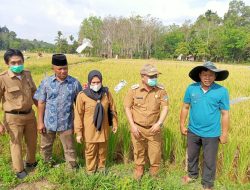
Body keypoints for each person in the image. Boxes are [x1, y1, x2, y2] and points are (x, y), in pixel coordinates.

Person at [180, 61, 230, 190]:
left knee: (209, 160)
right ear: (200, 75)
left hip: (212, 133)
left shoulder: (222, 91)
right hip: (193, 130)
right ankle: (192, 176)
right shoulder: (191, 88)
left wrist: (224, 134)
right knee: (192, 156)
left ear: (215, 76)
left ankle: (207, 184)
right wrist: (182, 125)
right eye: (204, 75)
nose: (207, 78)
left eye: (211, 75)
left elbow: (225, 113)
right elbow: (185, 107)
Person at [34, 54, 82, 169]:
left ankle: (71, 168)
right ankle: (45, 166)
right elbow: (41, 103)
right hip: (48, 122)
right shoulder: (46, 82)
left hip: (66, 122)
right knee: (45, 146)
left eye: (65, 68)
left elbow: (79, 104)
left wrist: (77, 124)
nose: (63, 71)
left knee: (69, 148)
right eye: (59, 69)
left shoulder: (74, 83)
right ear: (53, 68)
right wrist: (40, 122)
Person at [124, 64, 169, 180]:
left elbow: (165, 107)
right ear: (142, 76)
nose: (154, 78)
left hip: (154, 129)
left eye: (155, 76)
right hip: (138, 128)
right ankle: (139, 170)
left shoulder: (161, 91)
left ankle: (154, 172)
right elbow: (127, 107)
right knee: (138, 151)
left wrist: (159, 123)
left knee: (155, 152)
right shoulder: (133, 90)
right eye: (151, 76)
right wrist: (132, 126)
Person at [0, 49, 38, 179]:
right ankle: (19, 170)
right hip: (13, 117)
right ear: (7, 63)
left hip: (30, 115)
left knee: (32, 141)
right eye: (13, 62)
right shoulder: (3, 78)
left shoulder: (27, 74)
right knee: (16, 144)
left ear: (23, 61)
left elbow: (35, 94)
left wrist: (43, 112)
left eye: (19, 62)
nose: (17, 65)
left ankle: (31, 162)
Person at [74, 70, 118, 174]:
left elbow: (112, 109)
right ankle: (90, 170)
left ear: (101, 81)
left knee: (102, 151)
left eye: (98, 82)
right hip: (89, 130)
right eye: (93, 82)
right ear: (89, 82)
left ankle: (101, 169)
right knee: (90, 151)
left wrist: (115, 123)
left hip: (104, 128)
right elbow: (78, 115)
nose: (96, 84)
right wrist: (79, 133)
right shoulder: (82, 95)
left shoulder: (106, 93)